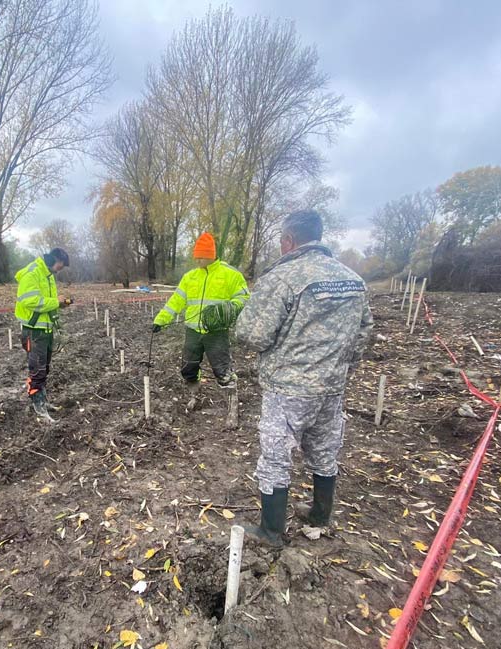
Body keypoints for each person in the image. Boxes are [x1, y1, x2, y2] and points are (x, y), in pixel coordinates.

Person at [236, 210, 373, 546]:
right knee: (325, 448)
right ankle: (320, 514)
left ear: (288, 241)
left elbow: (252, 335)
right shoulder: (353, 280)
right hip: (332, 386)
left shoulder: (283, 278)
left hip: (288, 388)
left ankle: (271, 531)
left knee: (276, 455)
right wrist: (342, 366)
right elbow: (364, 330)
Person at [152, 232, 249, 406]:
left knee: (223, 370)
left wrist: (227, 309)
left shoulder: (230, 274)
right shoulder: (190, 277)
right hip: (193, 331)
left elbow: (244, 298)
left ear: (211, 255)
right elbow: (176, 301)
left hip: (216, 332)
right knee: (188, 367)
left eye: (201, 257)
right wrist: (161, 320)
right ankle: (194, 395)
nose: (197, 261)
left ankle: (232, 402)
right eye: (196, 257)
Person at [14, 247, 72, 421]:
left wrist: (59, 305)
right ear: (52, 259)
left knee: (44, 368)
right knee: (37, 369)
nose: (61, 268)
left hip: (46, 329)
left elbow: (47, 303)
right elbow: (29, 300)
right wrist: (55, 301)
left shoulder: (48, 275)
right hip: (34, 331)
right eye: (61, 264)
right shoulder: (32, 273)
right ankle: (38, 407)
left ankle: (42, 400)